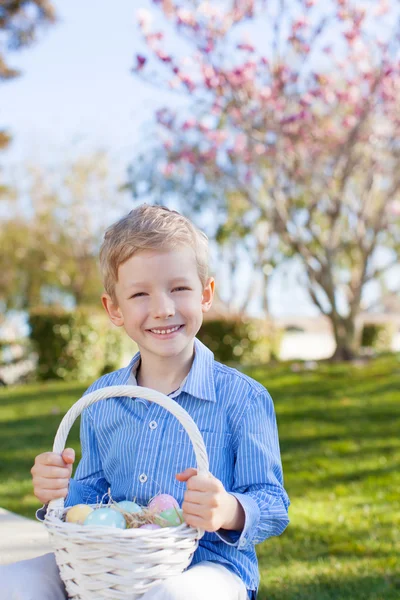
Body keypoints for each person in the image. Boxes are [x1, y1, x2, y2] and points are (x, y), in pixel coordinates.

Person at [1, 204, 290, 600]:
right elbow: (91, 497)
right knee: (13, 584)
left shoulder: (243, 398)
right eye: (140, 294)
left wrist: (228, 510)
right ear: (114, 309)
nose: (163, 309)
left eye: (180, 288)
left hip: (211, 567)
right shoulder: (103, 400)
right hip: (108, 566)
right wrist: (59, 491)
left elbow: (273, 503)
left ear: (206, 294)